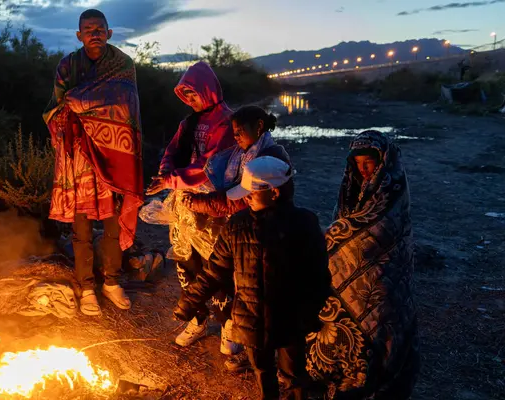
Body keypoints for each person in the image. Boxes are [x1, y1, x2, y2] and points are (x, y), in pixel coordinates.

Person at [174, 156, 332, 400]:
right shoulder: (237, 225)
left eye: (251, 193)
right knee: (261, 370)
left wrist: (308, 314)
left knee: (293, 375)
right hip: (251, 318)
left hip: (290, 318)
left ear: (275, 193)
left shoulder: (303, 224)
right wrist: (189, 301)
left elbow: (318, 275)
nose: (246, 197)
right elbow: (214, 270)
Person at [305, 130, 419, 399]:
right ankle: (344, 374)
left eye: (368, 162)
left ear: (382, 159)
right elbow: (344, 220)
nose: (363, 168)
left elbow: (380, 228)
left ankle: (380, 379)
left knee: (383, 325)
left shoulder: (393, 187)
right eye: (357, 163)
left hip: (386, 270)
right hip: (352, 273)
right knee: (342, 322)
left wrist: (332, 238)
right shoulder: (351, 186)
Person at [43, 9, 143, 316]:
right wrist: (80, 104)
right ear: (79, 35)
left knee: (112, 222)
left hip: (114, 154)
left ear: (109, 32)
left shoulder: (123, 64)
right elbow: (56, 108)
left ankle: (111, 282)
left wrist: (83, 102)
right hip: (79, 157)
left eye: (100, 28)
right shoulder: (68, 65)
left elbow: (126, 104)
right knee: (81, 226)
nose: (94, 33)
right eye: (88, 29)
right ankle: (86, 287)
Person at [145, 61, 237, 352]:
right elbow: (172, 151)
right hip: (183, 203)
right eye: (186, 96)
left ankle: (228, 326)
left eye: (194, 94)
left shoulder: (227, 123)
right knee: (186, 261)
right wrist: (165, 174)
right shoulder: (188, 123)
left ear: (208, 90)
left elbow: (210, 165)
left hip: (213, 208)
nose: (191, 100)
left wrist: (171, 179)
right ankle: (197, 319)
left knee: (218, 265)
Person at [180, 105, 291, 217]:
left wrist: (197, 202)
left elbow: (238, 202)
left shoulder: (268, 161)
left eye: (239, 131)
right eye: (234, 132)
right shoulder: (241, 153)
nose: (235, 136)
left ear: (259, 126)